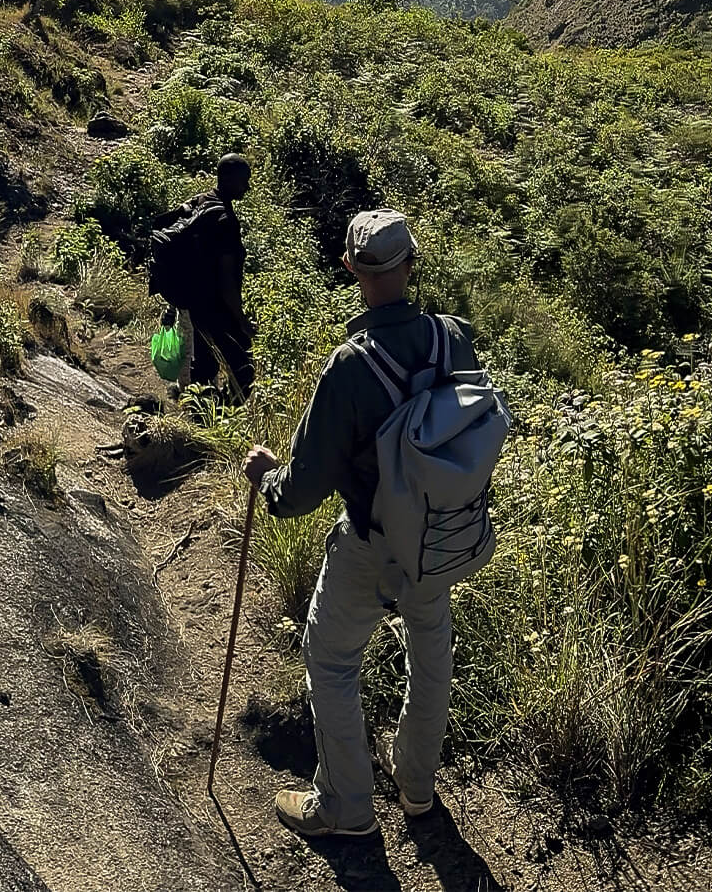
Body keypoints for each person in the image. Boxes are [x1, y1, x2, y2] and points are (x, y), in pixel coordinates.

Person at [243, 209, 480, 837]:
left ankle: (347, 807)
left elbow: (301, 491)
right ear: (411, 263)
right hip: (439, 539)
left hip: (372, 542)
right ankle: (417, 790)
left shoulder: (350, 368)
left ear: (350, 269)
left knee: (332, 659)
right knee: (431, 662)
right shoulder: (453, 337)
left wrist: (265, 477)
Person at [149, 153, 253, 396]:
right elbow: (228, 282)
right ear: (227, 179)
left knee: (204, 362)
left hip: (194, 301)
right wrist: (241, 319)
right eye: (243, 181)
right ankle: (221, 417)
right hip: (214, 304)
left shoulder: (201, 201)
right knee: (243, 364)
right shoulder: (224, 220)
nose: (246, 187)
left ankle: (198, 411)